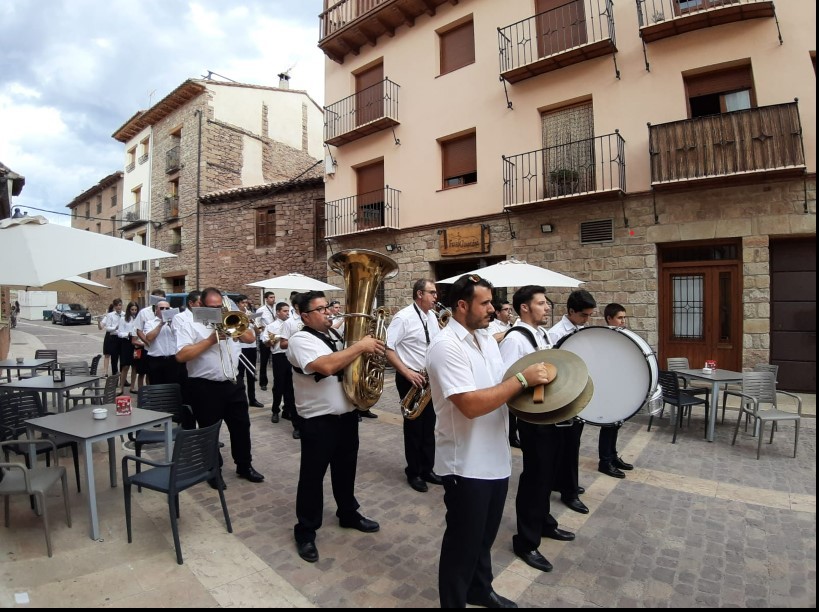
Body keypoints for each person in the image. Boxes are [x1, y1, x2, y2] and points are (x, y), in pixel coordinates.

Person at [426, 274, 552, 609]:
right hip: (465, 465)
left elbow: (500, 387)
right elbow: (470, 404)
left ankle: (480, 590)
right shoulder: (445, 346)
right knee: (462, 546)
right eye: (485, 303)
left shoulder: (484, 337)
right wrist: (523, 379)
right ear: (462, 305)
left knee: (483, 539)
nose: (493, 309)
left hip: (495, 458)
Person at [286, 290, 385, 564]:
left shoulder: (335, 336)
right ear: (305, 315)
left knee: (346, 471)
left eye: (328, 306)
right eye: (321, 309)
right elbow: (326, 366)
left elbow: (351, 363)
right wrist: (360, 347)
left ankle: (348, 513)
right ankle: (306, 531)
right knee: (312, 478)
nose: (329, 311)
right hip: (318, 421)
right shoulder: (300, 339)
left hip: (346, 418)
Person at [499, 285, 575, 574]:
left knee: (548, 474)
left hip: (549, 416)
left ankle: (544, 523)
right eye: (541, 303)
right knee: (535, 478)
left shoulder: (542, 335)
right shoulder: (515, 340)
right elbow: (506, 383)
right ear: (524, 308)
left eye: (546, 303)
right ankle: (526, 541)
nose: (547, 308)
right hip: (532, 419)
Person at [176, 287, 265, 488]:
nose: (218, 310)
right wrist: (210, 340)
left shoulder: (230, 318)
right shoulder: (190, 323)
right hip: (204, 386)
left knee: (241, 427)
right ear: (201, 305)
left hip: (233, 383)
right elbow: (181, 356)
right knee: (209, 430)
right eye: (213, 307)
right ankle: (213, 470)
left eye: (220, 306)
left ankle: (244, 465)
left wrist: (234, 323)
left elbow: (250, 339)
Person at [385, 278, 442, 493]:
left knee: (429, 427)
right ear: (419, 294)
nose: (436, 297)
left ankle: (427, 469)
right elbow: (387, 348)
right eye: (432, 293)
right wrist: (407, 372)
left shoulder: (432, 317)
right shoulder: (403, 317)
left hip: (428, 378)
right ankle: (414, 472)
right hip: (410, 378)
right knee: (414, 428)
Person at [547, 288, 597, 515]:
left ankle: (561, 481)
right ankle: (570, 492)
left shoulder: (582, 329)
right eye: (584, 315)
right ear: (571, 311)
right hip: (565, 395)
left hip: (579, 392)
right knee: (567, 445)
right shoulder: (557, 334)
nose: (587, 319)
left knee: (572, 442)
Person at [598, 303, 634, 479]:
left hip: (619, 387)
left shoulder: (622, 336)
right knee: (608, 425)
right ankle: (604, 462)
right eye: (620, 318)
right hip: (607, 389)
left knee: (616, 424)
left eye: (624, 317)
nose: (623, 321)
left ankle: (612, 456)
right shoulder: (604, 337)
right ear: (609, 319)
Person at [260, 302, 294, 423]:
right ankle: (275, 411)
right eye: (284, 311)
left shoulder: (291, 324)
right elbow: (265, 342)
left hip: (290, 356)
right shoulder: (271, 326)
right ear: (278, 312)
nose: (287, 313)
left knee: (290, 386)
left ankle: (287, 410)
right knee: (278, 385)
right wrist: (273, 340)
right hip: (278, 356)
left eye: (288, 311)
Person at [279, 293, 305, 439]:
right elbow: (282, 344)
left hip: (310, 363)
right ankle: (297, 426)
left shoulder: (311, 320)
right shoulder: (289, 323)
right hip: (294, 363)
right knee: (293, 396)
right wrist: (298, 340)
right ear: (297, 307)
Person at [142, 299, 184, 387]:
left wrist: (172, 324)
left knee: (173, 386)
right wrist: (161, 324)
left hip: (172, 359)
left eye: (167, 308)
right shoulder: (150, 323)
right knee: (157, 386)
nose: (165, 310)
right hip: (156, 359)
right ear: (156, 310)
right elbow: (149, 338)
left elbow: (181, 336)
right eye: (162, 308)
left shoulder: (175, 323)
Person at [235, 294, 264, 409]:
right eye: (243, 303)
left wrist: (253, 323)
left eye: (246, 303)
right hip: (240, 347)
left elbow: (257, 333)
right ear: (237, 304)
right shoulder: (234, 315)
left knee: (251, 374)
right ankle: (240, 400)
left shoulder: (250, 314)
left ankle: (252, 399)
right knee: (240, 375)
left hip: (251, 347)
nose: (245, 305)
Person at [255, 291, 277, 391]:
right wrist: (261, 329)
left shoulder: (276, 309)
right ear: (266, 299)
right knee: (264, 361)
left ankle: (277, 381)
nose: (273, 299)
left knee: (276, 359)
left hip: (275, 336)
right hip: (266, 337)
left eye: (274, 297)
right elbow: (256, 323)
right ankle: (263, 383)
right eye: (271, 297)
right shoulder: (261, 310)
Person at [117, 301, 140, 395]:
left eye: (135, 310)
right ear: (128, 310)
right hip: (126, 342)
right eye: (132, 309)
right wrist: (128, 334)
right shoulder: (123, 319)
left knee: (134, 366)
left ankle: (132, 387)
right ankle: (121, 387)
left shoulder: (139, 319)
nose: (134, 311)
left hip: (136, 343)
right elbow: (119, 333)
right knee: (125, 366)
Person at [101, 299, 123, 375]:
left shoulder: (125, 314)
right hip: (114, 338)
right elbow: (107, 328)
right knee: (114, 359)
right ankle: (115, 376)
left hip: (122, 338)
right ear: (114, 306)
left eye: (120, 305)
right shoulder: (110, 315)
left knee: (123, 359)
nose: (118, 307)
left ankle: (123, 378)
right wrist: (115, 328)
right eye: (116, 305)